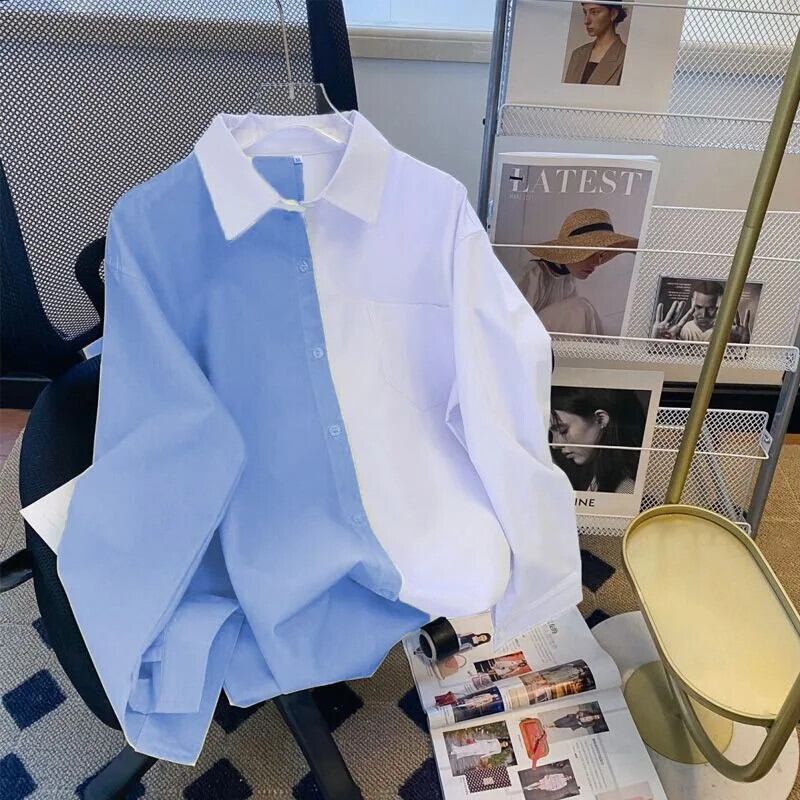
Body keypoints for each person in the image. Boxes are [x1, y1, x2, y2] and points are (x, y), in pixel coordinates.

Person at [517, 208, 638, 335]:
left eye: (601, 255)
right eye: (590, 254)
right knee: (581, 308)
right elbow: (513, 324)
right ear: (570, 251)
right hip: (528, 338)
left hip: (553, 341)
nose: (596, 263)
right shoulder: (533, 274)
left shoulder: (568, 280)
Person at [550, 386, 645, 493]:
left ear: (600, 419)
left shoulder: (627, 488)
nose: (555, 444)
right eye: (551, 433)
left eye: (563, 430)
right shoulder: (596, 475)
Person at [651, 279, 752, 343]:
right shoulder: (678, 331)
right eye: (698, 307)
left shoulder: (732, 334)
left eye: (711, 308)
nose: (704, 315)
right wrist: (656, 342)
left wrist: (743, 343)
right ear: (692, 302)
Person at [564, 3, 628, 86]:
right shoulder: (577, 54)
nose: (586, 21)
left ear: (613, 14)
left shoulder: (626, 57)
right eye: (585, 12)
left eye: (594, 12)